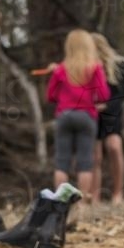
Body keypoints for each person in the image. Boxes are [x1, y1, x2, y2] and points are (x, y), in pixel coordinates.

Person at [45, 30, 110, 206]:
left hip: (64, 116)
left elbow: (50, 95)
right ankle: (82, 205)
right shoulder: (94, 67)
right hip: (86, 116)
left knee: (62, 162)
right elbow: (103, 94)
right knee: (85, 162)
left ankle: (60, 203)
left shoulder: (60, 69)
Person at [91, 33, 124, 205]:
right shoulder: (86, 67)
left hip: (112, 114)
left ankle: (117, 193)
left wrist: (106, 107)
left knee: (114, 147)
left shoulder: (119, 65)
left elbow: (121, 94)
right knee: (95, 156)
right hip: (91, 114)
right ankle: (95, 196)